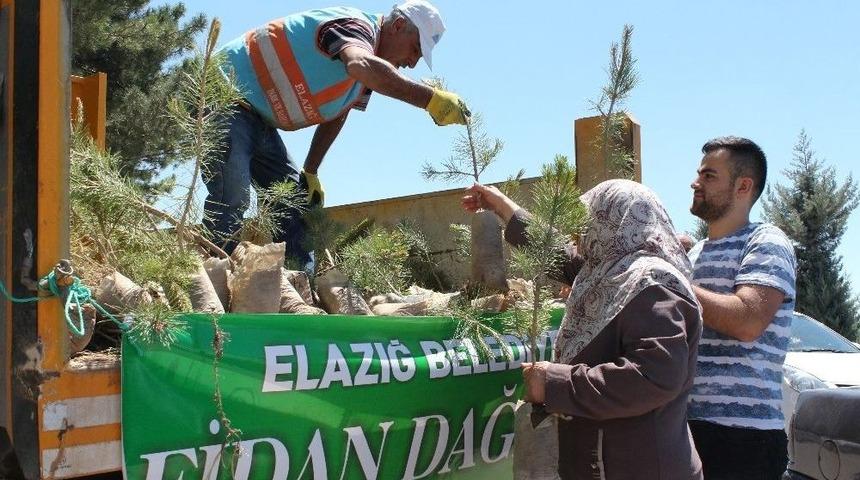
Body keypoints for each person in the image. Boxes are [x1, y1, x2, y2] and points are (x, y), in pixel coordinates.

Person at [463, 179, 703, 480]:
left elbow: (654, 377)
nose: (579, 235)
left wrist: (554, 383)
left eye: (588, 222)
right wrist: (501, 206)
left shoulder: (652, 286)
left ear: (613, 222)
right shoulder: (608, 271)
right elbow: (555, 251)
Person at [204, 0, 468, 270]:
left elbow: (339, 113)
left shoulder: (369, 69)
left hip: (258, 120)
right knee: (231, 197)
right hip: (224, 97)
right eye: (415, 49)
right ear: (398, 25)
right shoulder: (354, 27)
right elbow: (359, 64)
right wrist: (429, 100)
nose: (413, 63)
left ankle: (301, 296)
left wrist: (311, 170)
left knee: (297, 205)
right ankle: (212, 295)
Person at [686, 137, 797, 479]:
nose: (696, 182)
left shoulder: (766, 242)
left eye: (709, 176)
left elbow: (748, 320)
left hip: (744, 441)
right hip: (686, 430)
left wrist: (671, 283)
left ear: (743, 186)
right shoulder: (692, 254)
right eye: (699, 174)